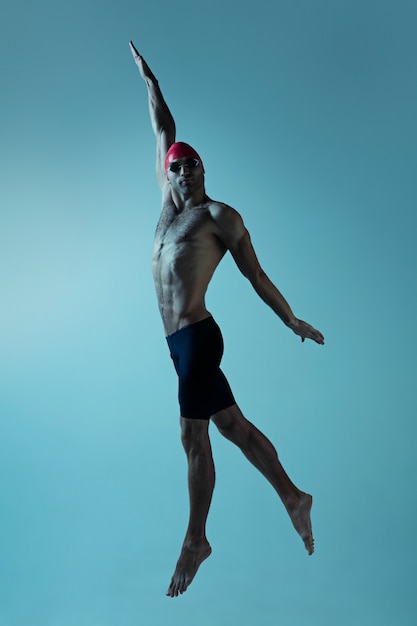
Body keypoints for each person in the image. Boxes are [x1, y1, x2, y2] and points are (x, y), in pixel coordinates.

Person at [129, 40, 325, 598]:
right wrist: (150, 81)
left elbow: (257, 277)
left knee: (194, 438)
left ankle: (196, 539)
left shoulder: (219, 216)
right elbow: (163, 127)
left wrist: (292, 321)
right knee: (232, 427)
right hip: (177, 345)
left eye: (191, 164)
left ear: (203, 168)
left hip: (197, 338)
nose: (182, 171)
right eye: (175, 167)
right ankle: (293, 496)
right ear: (168, 176)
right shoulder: (167, 211)